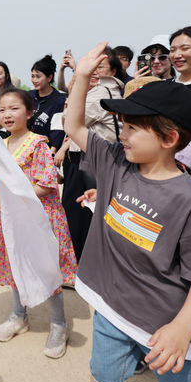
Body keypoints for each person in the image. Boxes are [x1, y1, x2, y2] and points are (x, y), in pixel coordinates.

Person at [65, 42, 191, 382]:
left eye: (131, 128)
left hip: (162, 325)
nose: (121, 135)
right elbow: (74, 126)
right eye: (121, 126)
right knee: (102, 375)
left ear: (169, 137)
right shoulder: (114, 164)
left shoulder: (189, 199)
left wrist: (182, 329)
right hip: (110, 309)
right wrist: (80, 77)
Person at [0, 88, 77, 358]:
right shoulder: (0, 145)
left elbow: (46, 184)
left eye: (14, 108)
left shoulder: (37, 143)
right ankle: (19, 316)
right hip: (13, 220)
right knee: (16, 264)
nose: (7, 114)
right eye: (2, 110)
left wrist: (11, 198)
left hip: (40, 218)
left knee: (46, 269)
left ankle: (59, 325)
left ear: (29, 113)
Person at [56, 46, 123, 260]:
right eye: (92, 66)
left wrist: (69, 106)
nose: (94, 70)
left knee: (78, 211)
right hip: (88, 157)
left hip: (89, 159)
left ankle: (76, 263)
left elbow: (72, 122)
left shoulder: (102, 93)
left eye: (100, 66)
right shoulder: (102, 91)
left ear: (113, 71)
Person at [28, 54, 67, 152]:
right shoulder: (28, 96)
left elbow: (58, 129)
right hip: (26, 148)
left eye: (38, 76)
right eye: (32, 76)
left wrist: (53, 151)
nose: (34, 80)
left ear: (49, 78)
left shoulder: (59, 100)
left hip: (45, 151)